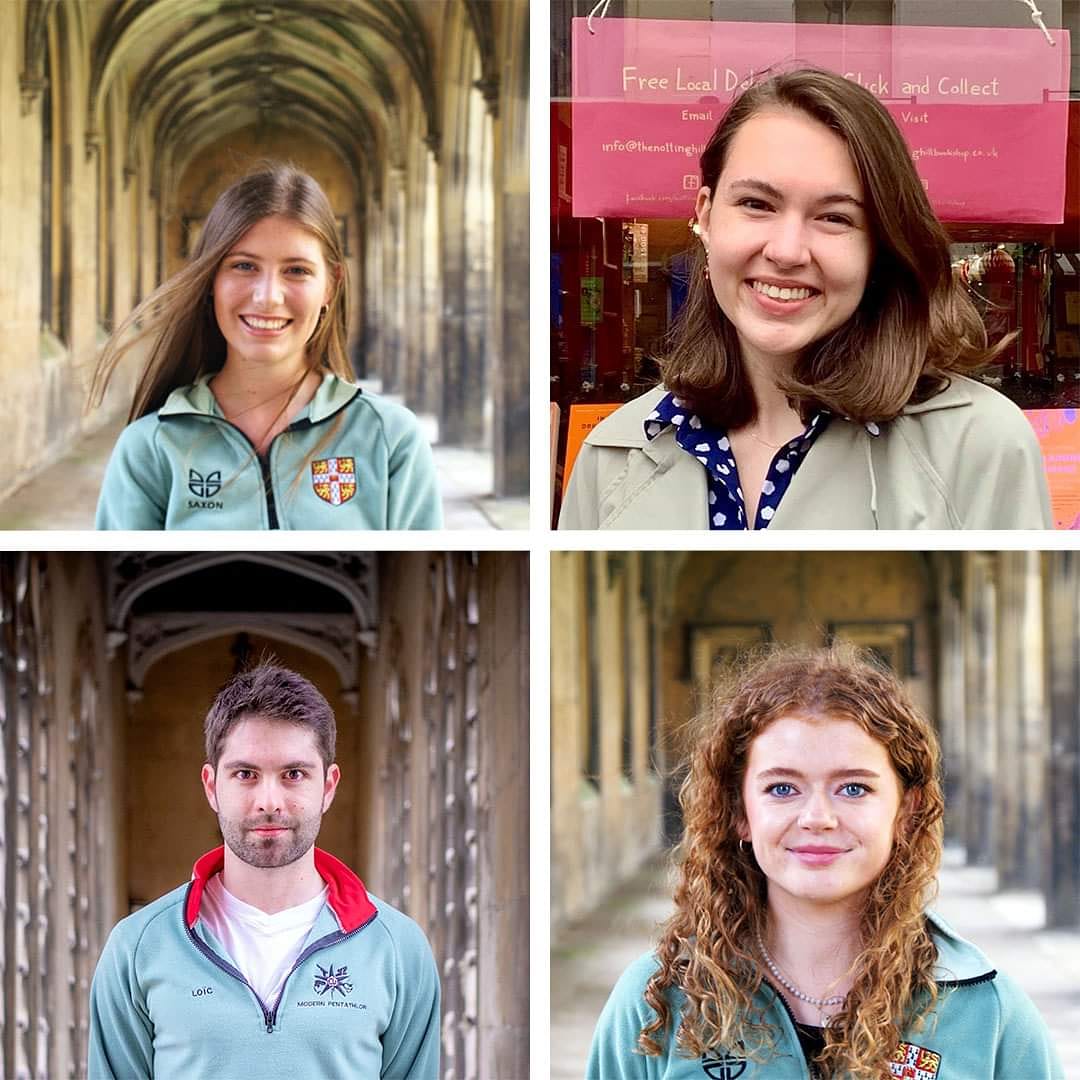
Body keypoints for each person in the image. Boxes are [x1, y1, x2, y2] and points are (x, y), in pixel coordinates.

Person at [559, 68, 1051, 530]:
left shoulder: (979, 449)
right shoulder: (612, 455)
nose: (787, 251)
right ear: (706, 217)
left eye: (835, 217)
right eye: (756, 204)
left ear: (879, 245)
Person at [588, 645, 1063, 1079]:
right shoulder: (657, 1002)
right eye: (782, 788)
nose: (817, 818)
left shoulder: (986, 1011)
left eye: (853, 788)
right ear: (738, 811)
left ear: (906, 810)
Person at [88, 662, 440, 1079]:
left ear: (328, 787)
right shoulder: (138, 948)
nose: (269, 802)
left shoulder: (397, 949)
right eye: (245, 774)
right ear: (211, 786)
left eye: (294, 774)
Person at [90, 162, 442, 529]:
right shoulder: (150, 448)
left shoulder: (390, 440)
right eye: (244, 266)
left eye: (297, 270)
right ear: (211, 279)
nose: (268, 296)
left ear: (330, 286)